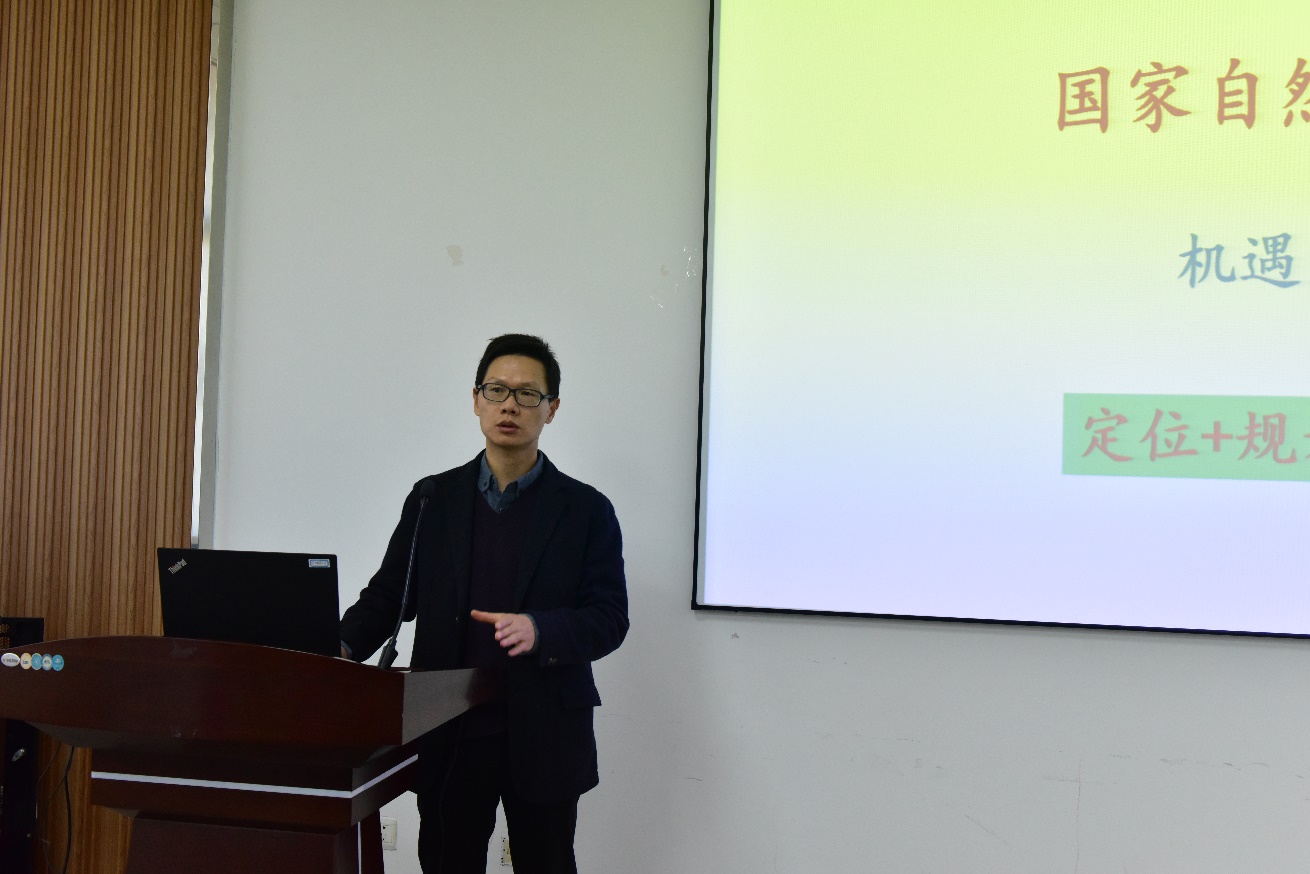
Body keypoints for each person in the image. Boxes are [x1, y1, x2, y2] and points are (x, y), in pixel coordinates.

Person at [339, 333, 628, 874]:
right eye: (496, 390)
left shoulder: (587, 510)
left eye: (527, 394)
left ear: (552, 408)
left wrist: (541, 629)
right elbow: (389, 595)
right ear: (476, 400)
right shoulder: (433, 498)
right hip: (449, 728)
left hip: (544, 732)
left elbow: (609, 618)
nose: (509, 405)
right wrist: (341, 647)